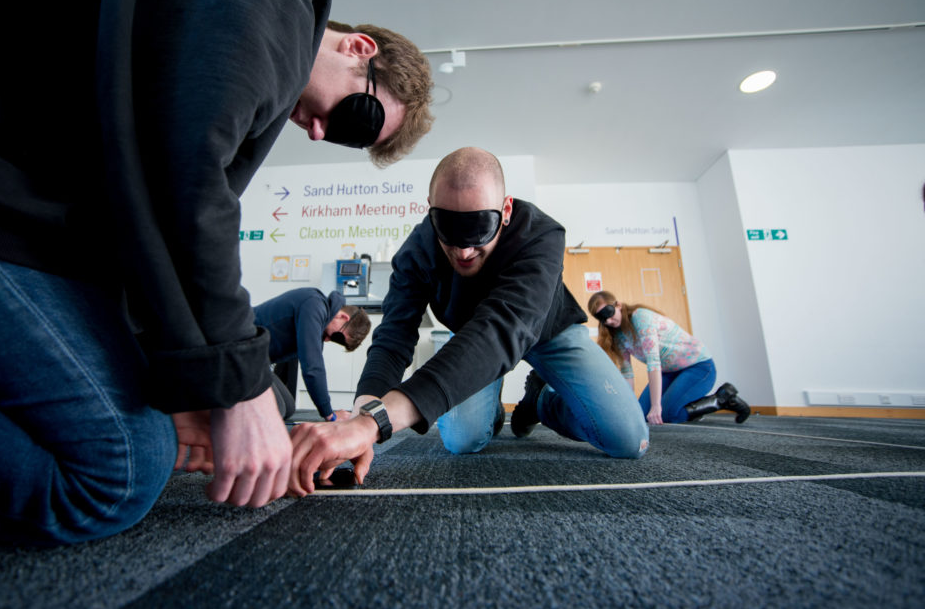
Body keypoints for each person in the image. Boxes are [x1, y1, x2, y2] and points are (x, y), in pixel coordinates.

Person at [0, 0, 433, 545]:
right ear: (358, 47)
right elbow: (186, 181)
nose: (318, 133)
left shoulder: (212, 6)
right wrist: (241, 389)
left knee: (152, 436)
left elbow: (138, 199)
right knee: (118, 470)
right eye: (354, 118)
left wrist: (189, 386)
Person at [287, 147, 650, 495]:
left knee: (628, 439)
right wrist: (358, 417)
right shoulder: (416, 253)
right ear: (430, 212)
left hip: (547, 334)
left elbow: (503, 329)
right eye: (449, 231)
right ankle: (488, 409)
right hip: (473, 344)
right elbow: (394, 337)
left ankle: (540, 401)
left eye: (479, 229)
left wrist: (374, 425)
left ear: (506, 210)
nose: (463, 251)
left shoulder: (541, 235)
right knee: (462, 440)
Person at [586, 291, 750, 425]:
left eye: (608, 313)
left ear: (618, 305)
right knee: (642, 416)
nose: (608, 320)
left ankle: (722, 399)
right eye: (602, 318)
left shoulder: (640, 318)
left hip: (698, 367)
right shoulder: (618, 336)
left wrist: (656, 406)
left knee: (668, 414)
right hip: (669, 373)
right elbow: (628, 374)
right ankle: (687, 406)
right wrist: (630, 409)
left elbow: (653, 363)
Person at [254, 288, 371, 421]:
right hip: (241, 352)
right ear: (343, 317)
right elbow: (313, 368)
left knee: (288, 407)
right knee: (276, 409)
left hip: (260, 363)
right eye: (336, 337)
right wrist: (330, 415)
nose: (328, 339)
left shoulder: (320, 322)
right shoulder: (314, 305)